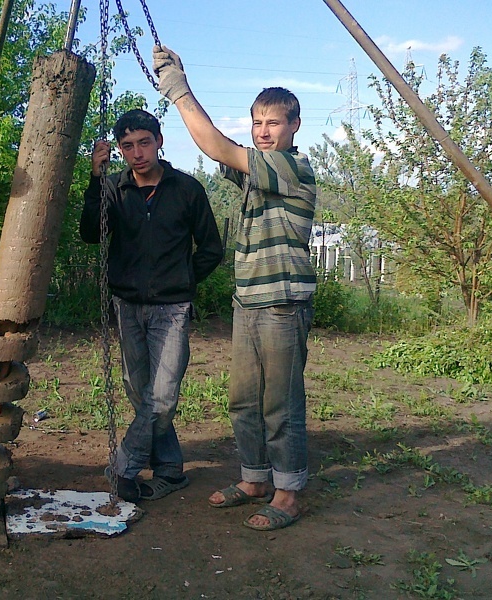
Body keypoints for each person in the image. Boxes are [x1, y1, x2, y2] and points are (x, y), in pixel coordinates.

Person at [153, 47, 316, 530]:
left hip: (283, 303)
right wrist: (179, 86)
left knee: (280, 401)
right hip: (248, 299)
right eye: (257, 123)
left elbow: (217, 148)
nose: (264, 132)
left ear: (294, 127)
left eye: (274, 123)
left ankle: (288, 493)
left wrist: (179, 88)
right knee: (243, 398)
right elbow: (217, 145)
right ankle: (254, 479)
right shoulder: (256, 173)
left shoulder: (293, 168)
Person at [80, 109, 224, 502]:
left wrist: (182, 278)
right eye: (127, 146)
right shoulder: (113, 188)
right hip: (127, 304)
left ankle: (123, 467)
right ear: (119, 151)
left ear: (159, 141)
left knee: (162, 396)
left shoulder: (186, 189)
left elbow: (212, 248)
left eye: (144, 142)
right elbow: (90, 233)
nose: (137, 152)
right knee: (140, 390)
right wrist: (95, 178)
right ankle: (171, 470)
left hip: (172, 307)